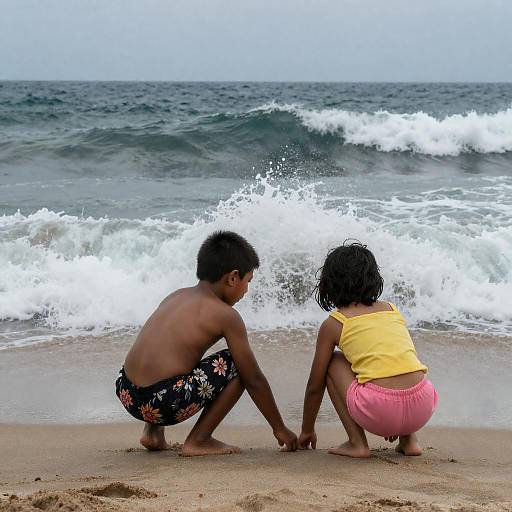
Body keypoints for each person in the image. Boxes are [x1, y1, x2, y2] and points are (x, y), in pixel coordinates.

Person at [116, 231, 297, 456]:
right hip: (163, 404)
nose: (246, 291)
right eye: (247, 282)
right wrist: (280, 429)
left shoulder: (176, 295)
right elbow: (254, 379)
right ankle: (199, 440)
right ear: (232, 278)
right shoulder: (226, 316)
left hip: (128, 393)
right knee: (235, 364)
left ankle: (152, 433)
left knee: (176, 358)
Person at [299, 241, 437, 458]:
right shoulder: (391, 309)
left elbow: (314, 386)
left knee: (334, 361)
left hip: (381, 409)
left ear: (329, 284)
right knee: (397, 361)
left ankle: (357, 443)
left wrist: (307, 429)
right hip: (423, 404)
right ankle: (409, 441)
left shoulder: (335, 323)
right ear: (374, 278)